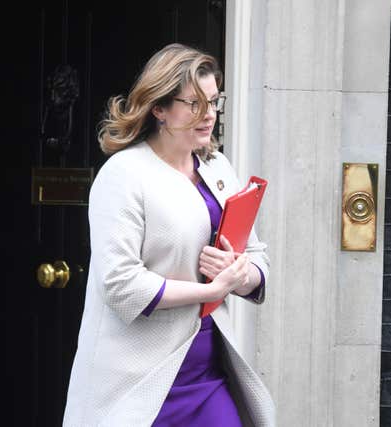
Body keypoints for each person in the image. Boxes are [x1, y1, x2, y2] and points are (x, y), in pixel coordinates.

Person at [63, 43, 275, 426]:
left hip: (207, 376)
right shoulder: (124, 175)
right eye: (193, 104)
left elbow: (257, 256)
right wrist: (210, 291)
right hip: (138, 382)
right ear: (158, 108)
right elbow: (121, 284)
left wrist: (240, 273)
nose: (208, 115)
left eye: (213, 102)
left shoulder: (218, 167)